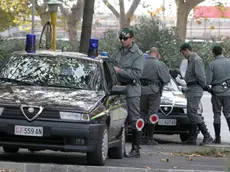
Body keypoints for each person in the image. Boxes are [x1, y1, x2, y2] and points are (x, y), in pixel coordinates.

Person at [111, 27, 144, 158]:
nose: (122, 41)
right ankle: (118, 147)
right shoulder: (118, 51)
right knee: (119, 119)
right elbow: (112, 63)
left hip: (131, 90)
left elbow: (137, 74)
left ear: (132, 39)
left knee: (133, 119)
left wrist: (120, 71)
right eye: (121, 38)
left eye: (125, 38)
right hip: (118, 90)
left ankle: (136, 149)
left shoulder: (138, 55)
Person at [180, 43, 213, 146]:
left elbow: (201, 76)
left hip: (195, 88)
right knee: (190, 113)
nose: (183, 55)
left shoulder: (196, 60)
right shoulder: (191, 60)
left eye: (182, 53)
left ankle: (207, 135)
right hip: (191, 88)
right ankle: (192, 137)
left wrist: (205, 86)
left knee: (193, 113)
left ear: (186, 50)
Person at [140, 47, 170, 145]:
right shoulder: (159, 64)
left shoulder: (141, 62)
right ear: (157, 54)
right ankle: (149, 138)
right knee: (152, 114)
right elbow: (166, 79)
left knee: (142, 114)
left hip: (142, 91)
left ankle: (141, 137)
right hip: (154, 91)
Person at [206, 45, 230, 144]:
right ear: (222, 51)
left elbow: (208, 80)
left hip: (216, 91)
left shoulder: (212, 64)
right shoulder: (229, 62)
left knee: (217, 114)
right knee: (228, 113)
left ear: (213, 53)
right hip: (228, 91)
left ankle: (217, 137)